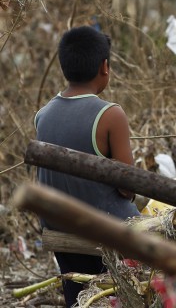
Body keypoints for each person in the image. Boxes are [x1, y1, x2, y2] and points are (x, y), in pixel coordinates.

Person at [34, 26, 140, 307]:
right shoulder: (110, 114)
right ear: (105, 67)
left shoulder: (42, 115)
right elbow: (128, 187)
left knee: (77, 295)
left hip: (59, 230)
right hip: (106, 233)